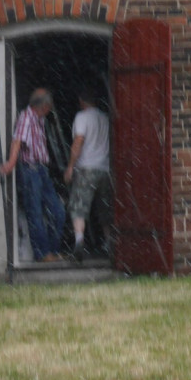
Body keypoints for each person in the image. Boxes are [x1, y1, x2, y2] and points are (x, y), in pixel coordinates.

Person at [0, 88, 66, 263]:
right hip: (30, 170)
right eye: (49, 106)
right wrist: (11, 163)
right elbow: (17, 141)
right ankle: (43, 253)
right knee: (35, 212)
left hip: (41, 170)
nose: (50, 109)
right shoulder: (26, 118)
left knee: (57, 210)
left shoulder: (40, 119)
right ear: (44, 105)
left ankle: (52, 250)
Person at [63, 87, 113, 261]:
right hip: (105, 169)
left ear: (81, 101)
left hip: (86, 169)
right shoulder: (105, 118)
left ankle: (79, 242)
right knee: (105, 210)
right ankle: (109, 243)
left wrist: (70, 166)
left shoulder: (82, 117)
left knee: (79, 207)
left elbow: (78, 141)